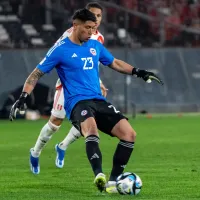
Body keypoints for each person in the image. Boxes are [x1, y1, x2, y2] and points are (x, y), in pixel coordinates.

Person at [9, 8, 163, 193]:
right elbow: (36, 74)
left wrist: (139, 72)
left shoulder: (95, 45)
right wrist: (23, 97)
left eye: (93, 28)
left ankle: (113, 183)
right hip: (77, 103)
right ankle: (98, 175)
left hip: (98, 100)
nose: (91, 32)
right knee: (90, 130)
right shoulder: (60, 49)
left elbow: (114, 63)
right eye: (87, 28)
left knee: (129, 134)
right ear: (75, 26)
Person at [28, 2, 107, 175]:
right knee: (55, 123)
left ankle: (62, 147)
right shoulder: (71, 34)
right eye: (92, 15)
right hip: (68, 86)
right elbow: (58, 54)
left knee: (88, 122)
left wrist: (99, 83)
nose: (96, 19)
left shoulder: (99, 38)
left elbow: (92, 65)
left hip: (88, 88)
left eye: (99, 16)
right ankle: (35, 152)